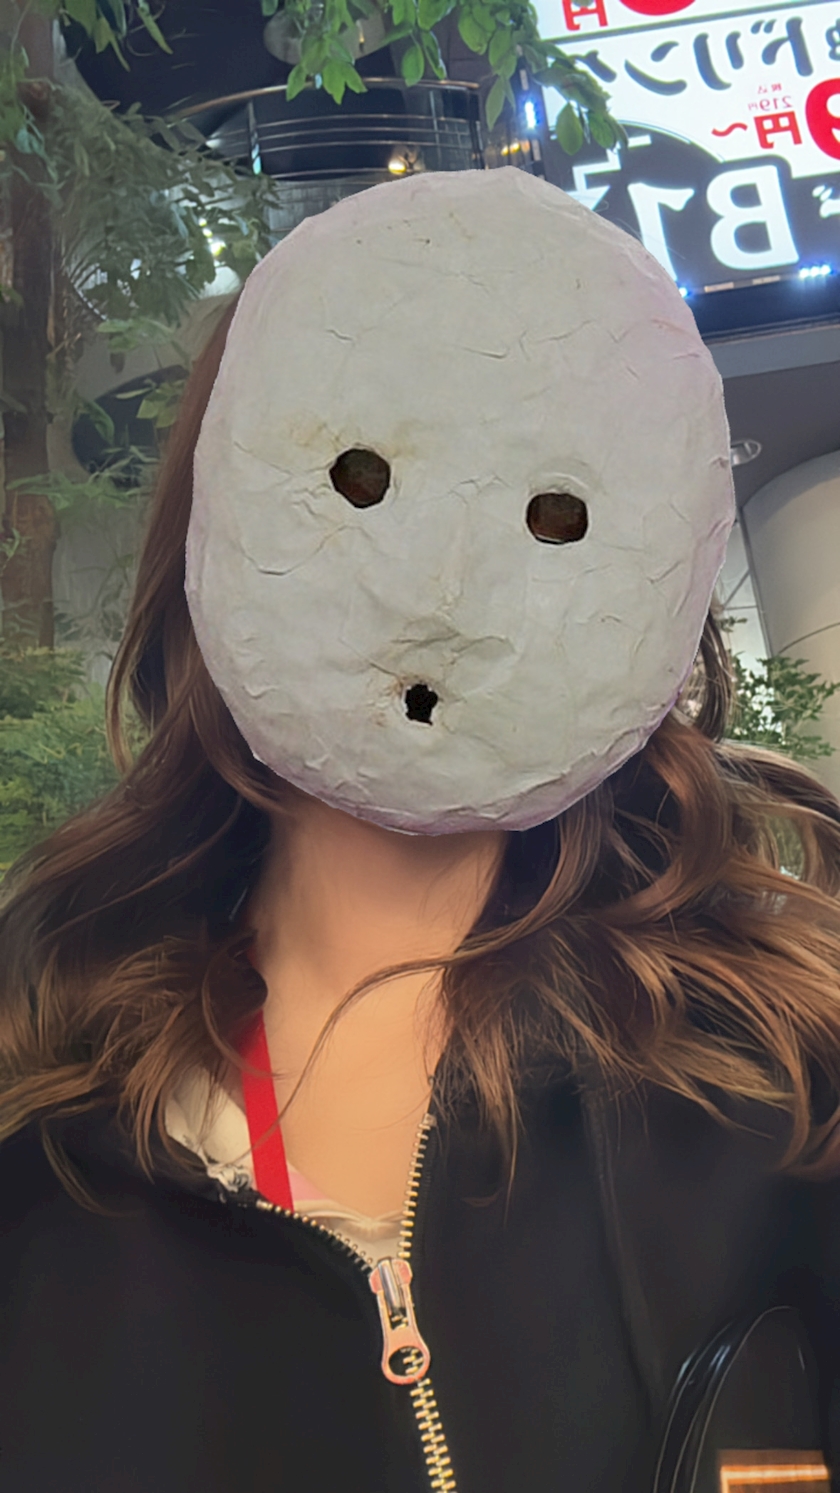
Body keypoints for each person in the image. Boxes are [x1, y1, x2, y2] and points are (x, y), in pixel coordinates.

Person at [1, 169, 840, 1493]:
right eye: (361, 478)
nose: (442, 590)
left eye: (554, 515)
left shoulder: (780, 1077)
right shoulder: (39, 1087)